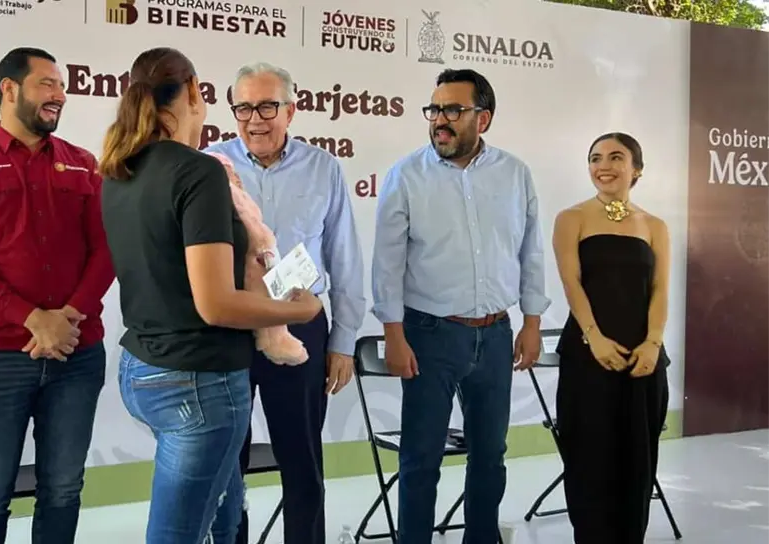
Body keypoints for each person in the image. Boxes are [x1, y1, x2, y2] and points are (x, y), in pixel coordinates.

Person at [97, 47, 323, 544]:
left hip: (144, 368)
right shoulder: (198, 171)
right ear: (197, 92)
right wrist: (297, 309)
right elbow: (215, 303)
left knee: (223, 515)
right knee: (183, 531)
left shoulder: (120, 169)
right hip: (197, 378)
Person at [0, 47, 114, 544]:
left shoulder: (83, 166)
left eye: (60, 85)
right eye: (46, 84)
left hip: (77, 352)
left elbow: (106, 252)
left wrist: (67, 318)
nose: (60, 94)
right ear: (9, 89)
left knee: (63, 488)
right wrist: (34, 319)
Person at [371, 68, 549, 544]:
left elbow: (530, 251)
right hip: (428, 335)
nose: (439, 120)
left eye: (453, 109)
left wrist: (532, 322)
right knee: (420, 458)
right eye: (434, 110)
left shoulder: (515, 174)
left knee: (490, 455)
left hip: (495, 337)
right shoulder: (406, 175)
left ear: (483, 118)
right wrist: (392, 333)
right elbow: (386, 264)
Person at [205, 61, 366, 544]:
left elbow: (345, 258)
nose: (256, 119)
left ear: (291, 111)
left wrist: (343, 343)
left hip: (300, 324)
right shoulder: (211, 164)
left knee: (301, 459)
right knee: (225, 461)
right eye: (244, 108)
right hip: (229, 324)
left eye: (268, 106)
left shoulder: (324, 168)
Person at [551, 133, 670, 544]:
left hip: (644, 363)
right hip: (588, 359)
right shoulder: (572, 218)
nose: (604, 165)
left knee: (638, 466)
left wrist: (654, 342)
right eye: (595, 158)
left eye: (616, 157)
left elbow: (660, 290)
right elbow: (572, 283)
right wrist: (594, 338)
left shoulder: (655, 226)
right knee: (589, 463)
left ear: (636, 168)